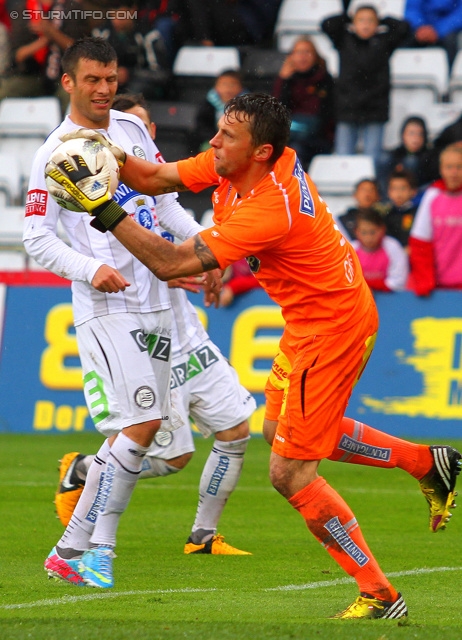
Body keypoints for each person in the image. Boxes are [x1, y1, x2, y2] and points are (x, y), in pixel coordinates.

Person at [53, 92, 462, 619]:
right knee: (282, 432)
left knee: (289, 472)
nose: (214, 141)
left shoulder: (271, 205)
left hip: (333, 329)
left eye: (227, 136)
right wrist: (104, 152)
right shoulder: (236, 162)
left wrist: (101, 206)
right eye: (219, 129)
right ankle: (427, 462)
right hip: (313, 320)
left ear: (262, 151)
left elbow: (172, 264)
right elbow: (155, 178)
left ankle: (379, 594)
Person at [23, 37, 213, 590]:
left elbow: (164, 203)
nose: (104, 89)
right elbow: (36, 238)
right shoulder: (53, 154)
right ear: (69, 82)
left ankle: (76, 549)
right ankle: (91, 549)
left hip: (159, 298)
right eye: (92, 80)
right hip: (108, 305)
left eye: (110, 79)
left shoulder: (130, 130)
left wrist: (205, 248)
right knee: (143, 425)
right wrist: (89, 268)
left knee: (133, 433)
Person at [54, 91, 255, 556]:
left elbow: (174, 221)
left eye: (142, 127)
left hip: (185, 331)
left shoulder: (156, 185)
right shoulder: (94, 187)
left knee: (236, 428)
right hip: (142, 329)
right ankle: (85, 473)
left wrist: (209, 253)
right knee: (172, 456)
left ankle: (202, 537)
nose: (135, 135)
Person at [321, 5, 410, 163]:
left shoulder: (384, 42)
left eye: (371, 20)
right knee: (344, 159)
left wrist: (383, 19)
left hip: (375, 107)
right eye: (361, 20)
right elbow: (326, 24)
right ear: (353, 23)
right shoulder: (343, 39)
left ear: (377, 24)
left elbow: (404, 28)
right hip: (347, 108)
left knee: (372, 160)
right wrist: (348, 17)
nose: (366, 24)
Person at [272, 36, 334, 169]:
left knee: (296, 150)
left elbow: (327, 114)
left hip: (317, 138)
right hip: (290, 136)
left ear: (315, 56)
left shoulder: (325, 80)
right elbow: (278, 110)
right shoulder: (286, 80)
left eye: (307, 52)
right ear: (291, 57)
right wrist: (283, 81)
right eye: (299, 52)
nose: (303, 57)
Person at [409, 143, 462, 296]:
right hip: (439, 289)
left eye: (459, 167)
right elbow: (420, 243)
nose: (454, 172)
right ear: (441, 169)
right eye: (449, 167)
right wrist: (426, 281)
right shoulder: (432, 196)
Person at [376, 116, 438, 199]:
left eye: (420, 134)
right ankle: (386, 201)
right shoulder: (396, 153)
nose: (415, 138)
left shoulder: (431, 154)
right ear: (403, 135)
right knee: (384, 158)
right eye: (411, 133)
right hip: (392, 192)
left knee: (411, 161)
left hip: (419, 191)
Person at [351, 208, 409, 292]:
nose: (368, 237)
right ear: (356, 232)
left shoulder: (393, 247)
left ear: (382, 229)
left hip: (389, 299)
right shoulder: (350, 250)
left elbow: (398, 282)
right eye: (364, 232)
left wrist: (371, 286)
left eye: (373, 232)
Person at [192, 69, 247, 153]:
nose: (228, 88)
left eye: (233, 84)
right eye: (224, 84)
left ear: (241, 87)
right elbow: (202, 126)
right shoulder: (207, 105)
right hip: (211, 140)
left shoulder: (247, 106)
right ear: (216, 87)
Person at [404, 0, 462, 69]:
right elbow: (411, 8)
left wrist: (438, 30)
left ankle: (448, 75)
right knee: (400, 37)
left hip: (447, 31)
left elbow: (459, 13)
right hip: (420, 30)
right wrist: (420, 26)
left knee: (451, 41)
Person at [382, 168, 418, 249]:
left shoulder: (418, 213)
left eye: (403, 188)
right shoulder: (386, 215)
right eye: (394, 188)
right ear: (388, 192)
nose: (398, 193)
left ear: (413, 191)